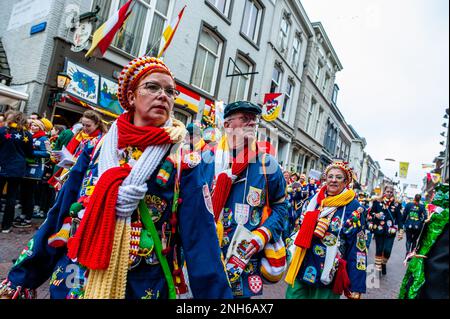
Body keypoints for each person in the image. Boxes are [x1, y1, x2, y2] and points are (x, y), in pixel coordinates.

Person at [0, 56, 231, 299]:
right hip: (79, 277)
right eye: (152, 87)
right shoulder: (95, 150)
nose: (164, 95)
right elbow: (61, 215)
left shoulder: (184, 162)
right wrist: (21, 278)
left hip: (143, 285)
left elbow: (201, 241)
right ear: (131, 97)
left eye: (170, 92)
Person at [196, 101, 287, 298]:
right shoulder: (205, 159)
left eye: (254, 120)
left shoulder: (267, 164)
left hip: (243, 259)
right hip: (206, 252)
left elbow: (281, 208)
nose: (252, 124)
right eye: (245, 119)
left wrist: (262, 235)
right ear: (227, 125)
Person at [285, 161, 367, 299]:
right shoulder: (314, 200)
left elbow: (358, 247)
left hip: (329, 272)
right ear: (325, 178)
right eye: (330, 176)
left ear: (346, 181)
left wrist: (356, 285)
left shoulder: (354, 208)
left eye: (339, 177)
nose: (333, 180)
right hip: (303, 262)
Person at [399, 183, 448, 299]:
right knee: (409, 242)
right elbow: (405, 215)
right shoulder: (409, 205)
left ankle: (410, 250)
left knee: (412, 242)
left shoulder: (424, 208)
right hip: (411, 229)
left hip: (416, 229)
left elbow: (423, 216)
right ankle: (409, 251)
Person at [48, 111, 106, 191]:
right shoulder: (79, 135)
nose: (84, 128)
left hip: (83, 176)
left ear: (97, 125)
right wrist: (59, 157)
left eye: (88, 126)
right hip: (68, 172)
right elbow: (69, 152)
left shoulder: (101, 139)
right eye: (83, 125)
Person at [14, 118, 52, 227]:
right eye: (32, 125)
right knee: (24, 193)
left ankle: (28, 218)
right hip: (26, 168)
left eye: (36, 126)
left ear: (41, 128)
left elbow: (48, 153)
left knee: (30, 194)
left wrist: (31, 152)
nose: (33, 127)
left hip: (35, 169)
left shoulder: (44, 138)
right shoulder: (30, 137)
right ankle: (23, 214)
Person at [0, 111, 33, 233]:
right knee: (11, 197)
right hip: (17, 168)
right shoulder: (27, 135)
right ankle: (6, 226)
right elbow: (30, 153)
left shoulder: (3, 131)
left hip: (2, 166)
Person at [369, 185, 403, 275]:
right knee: (379, 249)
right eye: (387, 191)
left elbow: (399, 218)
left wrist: (401, 230)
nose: (389, 193)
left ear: (393, 193)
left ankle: (383, 263)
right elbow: (371, 212)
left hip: (390, 231)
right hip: (379, 229)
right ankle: (378, 266)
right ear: (384, 192)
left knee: (387, 250)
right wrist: (375, 215)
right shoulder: (377, 201)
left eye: (391, 192)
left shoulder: (396, 204)